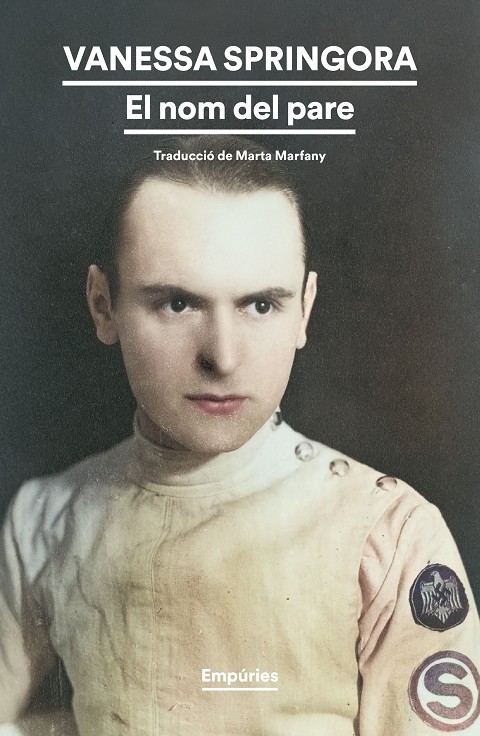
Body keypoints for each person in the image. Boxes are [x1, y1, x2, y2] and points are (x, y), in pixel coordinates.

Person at [0, 135, 479, 736]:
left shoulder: (389, 534)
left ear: (304, 311)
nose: (223, 358)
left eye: (260, 305)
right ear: (103, 306)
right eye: (178, 304)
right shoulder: (44, 523)